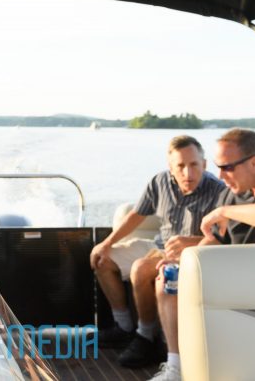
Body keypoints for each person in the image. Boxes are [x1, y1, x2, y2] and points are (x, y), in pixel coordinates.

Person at [149, 128, 255, 381]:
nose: (220, 175)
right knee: (169, 281)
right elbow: (218, 241)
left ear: (254, 162)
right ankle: (177, 367)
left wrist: (225, 212)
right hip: (245, 283)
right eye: (218, 167)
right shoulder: (232, 194)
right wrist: (185, 261)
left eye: (227, 167)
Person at [89, 135, 223, 369]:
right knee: (102, 259)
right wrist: (107, 243)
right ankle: (123, 328)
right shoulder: (159, 182)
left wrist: (192, 241)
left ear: (204, 164)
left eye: (193, 165)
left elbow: (227, 237)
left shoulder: (219, 191)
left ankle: (145, 338)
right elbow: (137, 215)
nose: (187, 173)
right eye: (180, 166)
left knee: (141, 268)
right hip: (160, 245)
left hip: (195, 253)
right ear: (171, 167)